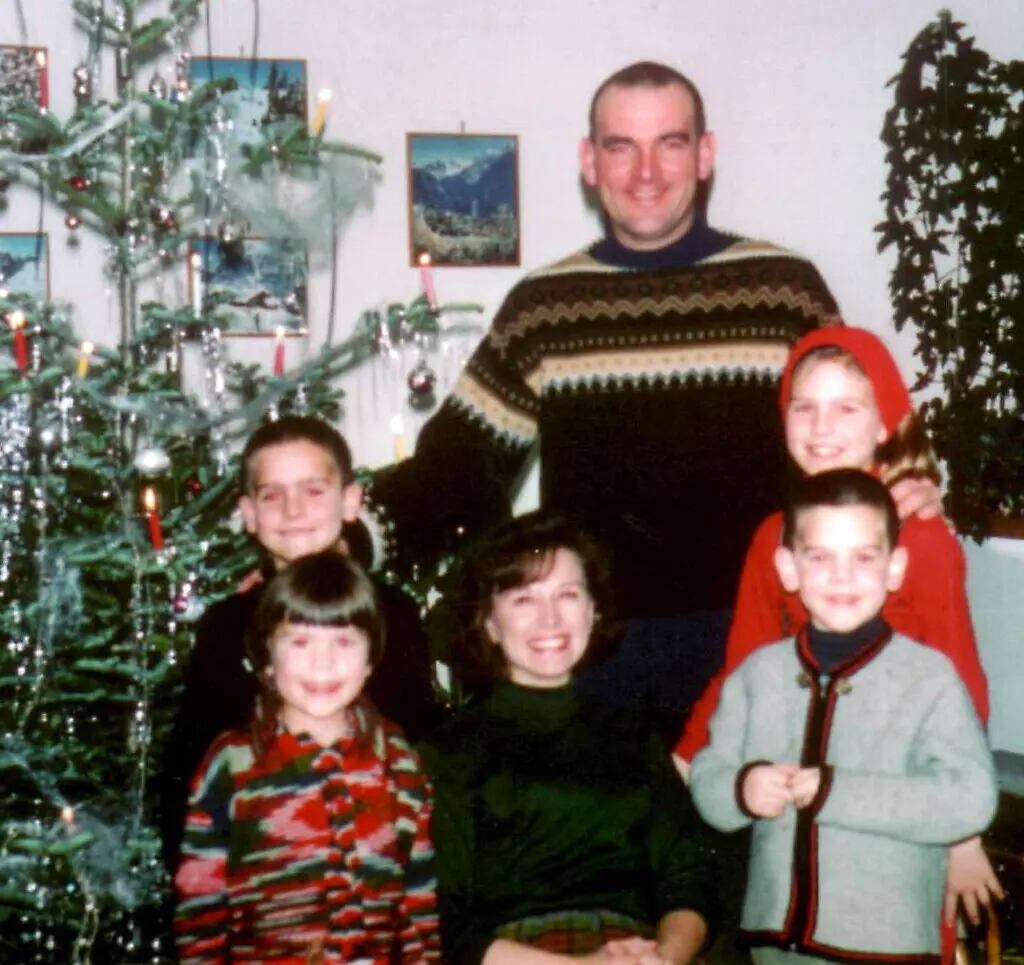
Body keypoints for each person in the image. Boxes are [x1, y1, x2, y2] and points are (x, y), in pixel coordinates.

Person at [370, 61, 933, 739]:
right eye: (620, 146)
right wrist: (333, 541)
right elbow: (452, 473)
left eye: (668, 142)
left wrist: (910, 488)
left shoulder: (787, 292)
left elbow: (859, 433)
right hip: (602, 658)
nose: (645, 172)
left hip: (764, 640)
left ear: (704, 155)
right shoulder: (545, 309)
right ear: (589, 160)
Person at [673, 326, 1001, 958]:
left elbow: (961, 683)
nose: (822, 426)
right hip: (800, 807)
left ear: (885, 423)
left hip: (897, 812)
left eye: (846, 407)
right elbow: (741, 665)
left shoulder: (921, 537)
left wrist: (964, 838)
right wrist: (688, 760)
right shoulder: (774, 535)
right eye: (804, 406)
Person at [418, 511, 718, 965]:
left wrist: (664, 958)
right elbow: (439, 917)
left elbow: (691, 877)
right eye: (523, 600)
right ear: (489, 623)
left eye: (568, 595)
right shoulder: (449, 752)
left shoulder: (636, 737)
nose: (550, 619)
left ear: (594, 612)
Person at [160, 415, 443, 871]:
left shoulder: (392, 612)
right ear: (248, 514)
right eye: (272, 495)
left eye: (313, 491)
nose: (293, 512)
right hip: (259, 866)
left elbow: (422, 746)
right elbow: (189, 766)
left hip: (376, 859)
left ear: (350, 502)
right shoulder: (225, 624)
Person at [174, 551, 439, 962]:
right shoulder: (232, 763)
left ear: (371, 659)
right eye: (299, 640)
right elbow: (200, 908)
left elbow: (418, 903)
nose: (323, 662)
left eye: (345, 641)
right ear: (267, 657)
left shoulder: (399, 763)